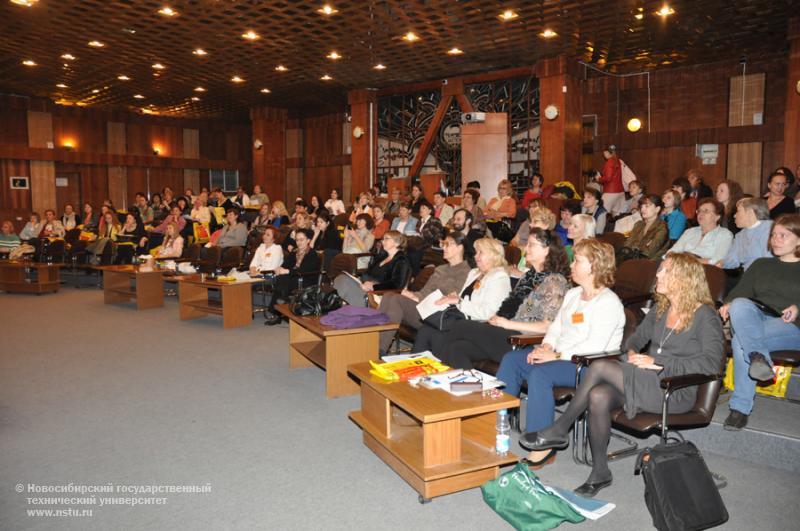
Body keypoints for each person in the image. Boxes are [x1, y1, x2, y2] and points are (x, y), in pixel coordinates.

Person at [520, 252, 724, 497]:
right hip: (645, 380)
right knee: (598, 396)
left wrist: (659, 362)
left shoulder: (705, 316)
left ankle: (561, 428)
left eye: (665, 270)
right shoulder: (662, 309)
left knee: (600, 366)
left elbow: (712, 364)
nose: (657, 274)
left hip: (673, 390)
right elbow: (635, 339)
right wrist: (632, 356)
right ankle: (600, 472)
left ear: (684, 278)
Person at [496, 239, 625, 467]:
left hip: (589, 366)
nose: (572, 265)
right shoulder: (574, 294)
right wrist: (547, 345)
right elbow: (556, 327)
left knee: (540, 374)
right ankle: (496, 423)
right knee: (512, 360)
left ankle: (543, 444)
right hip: (560, 357)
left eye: (578, 261)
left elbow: (595, 345)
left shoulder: (608, 303)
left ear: (594, 266)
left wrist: (555, 355)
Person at [437, 229, 570, 369]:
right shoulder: (528, 277)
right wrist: (497, 319)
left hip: (523, 341)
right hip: (506, 334)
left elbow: (547, 326)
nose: (526, 248)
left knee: (461, 326)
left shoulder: (555, 282)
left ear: (547, 250)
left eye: (532, 245)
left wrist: (507, 324)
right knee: (457, 348)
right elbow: (509, 307)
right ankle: (467, 386)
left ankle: (433, 373)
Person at [720, 214, 800, 430]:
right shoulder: (762, 264)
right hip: (757, 319)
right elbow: (740, 292)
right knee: (739, 304)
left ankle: (740, 408)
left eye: (784, 235)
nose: (776, 239)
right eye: (774, 235)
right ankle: (757, 356)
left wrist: (797, 307)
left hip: (792, 326)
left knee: (739, 342)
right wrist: (728, 303)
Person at [412, 237, 512, 354]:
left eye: (481, 253)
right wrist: (453, 297)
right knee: (426, 330)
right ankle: (414, 367)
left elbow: (488, 313)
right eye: (476, 252)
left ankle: (438, 369)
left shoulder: (499, 277)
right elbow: (463, 299)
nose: (476, 256)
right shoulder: (474, 273)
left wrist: (459, 302)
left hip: (478, 324)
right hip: (460, 319)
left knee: (437, 335)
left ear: (494, 255)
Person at [377, 231, 472, 353]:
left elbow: (449, 299)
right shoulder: (440, 269)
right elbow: (424, 292)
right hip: (422, 307)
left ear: (460, 248)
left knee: (396, 299)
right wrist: (413, 295)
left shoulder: (466, 272)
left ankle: (379, 349)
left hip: (436, 314)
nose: (443, 247)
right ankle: (374, 341)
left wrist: (419, 299)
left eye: (447, 244)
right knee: (389, 295)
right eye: (443, 244)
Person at [333, 230, 411, 307]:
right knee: (342, 278)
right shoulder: (382, 257)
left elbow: (396, 284)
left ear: (397, 243)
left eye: (386, 239)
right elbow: (367, 273)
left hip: (379, 294)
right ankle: (334, 304)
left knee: (345, 285)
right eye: (383, 239)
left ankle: (333, 305)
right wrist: (365, 282)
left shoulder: (401, 261)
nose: (382, 241)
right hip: (366, 288)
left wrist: (373, 286)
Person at [265, 228, 322, 325]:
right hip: (294, 278)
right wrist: (279, 268)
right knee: (282, 278)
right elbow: (285, 265)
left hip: (306, 279)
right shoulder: (294, 252)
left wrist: (287, 271)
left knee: (284, 280)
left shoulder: (312, 254)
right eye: (297, 240)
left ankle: (278, 310)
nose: (299, 242)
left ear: (308, 240)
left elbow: (305, 270)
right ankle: (281, 306)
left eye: (301, 239)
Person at [667, 198, 733, 264]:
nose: (701, 214)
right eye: (699, 211)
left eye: (706, 211)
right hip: (680, 265)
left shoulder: (725, 235)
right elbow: (672, 251)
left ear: (717, 217)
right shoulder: (690, 231)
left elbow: (718, 260)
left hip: (705, 270)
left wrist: (690, 261)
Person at [719, 197, 773, 271]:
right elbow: (731, 260)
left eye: (738, 211)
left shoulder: (769, 228)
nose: (734, 215)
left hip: (765, 274)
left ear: (750, 213)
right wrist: (717, 265)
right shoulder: (740, 235)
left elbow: (769, 260)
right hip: (748, 275)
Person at [619, 194, 669, 261]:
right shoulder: (639, 224)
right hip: (632, 259)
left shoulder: (662, 228)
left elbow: (648, 253)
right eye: (641, 206)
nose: (642, 209)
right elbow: (628, 243)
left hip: (648, 264)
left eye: (647, 206)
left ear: (657, 209)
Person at [597, 145, 625, 215]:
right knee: (617, 215)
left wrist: (599, 179)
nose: (604, 155)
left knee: (602, 213)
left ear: (607, 152)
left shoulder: (609, 162)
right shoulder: (618, 161)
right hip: (620, 192)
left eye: (604, 153)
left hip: (610, 192)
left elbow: (608, 178)